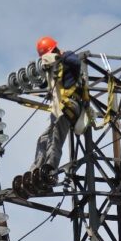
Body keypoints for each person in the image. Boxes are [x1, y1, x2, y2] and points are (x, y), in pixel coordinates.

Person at [30, 36, 85, 172]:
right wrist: (35, 73)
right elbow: (42, 84)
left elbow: (76, 62)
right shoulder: (51, 69)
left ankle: (50, 168)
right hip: (59, 109)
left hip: (70, 105)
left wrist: (60, 57)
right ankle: (35, 170)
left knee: (55, 136)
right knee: (43, 139)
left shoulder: (67, 57)